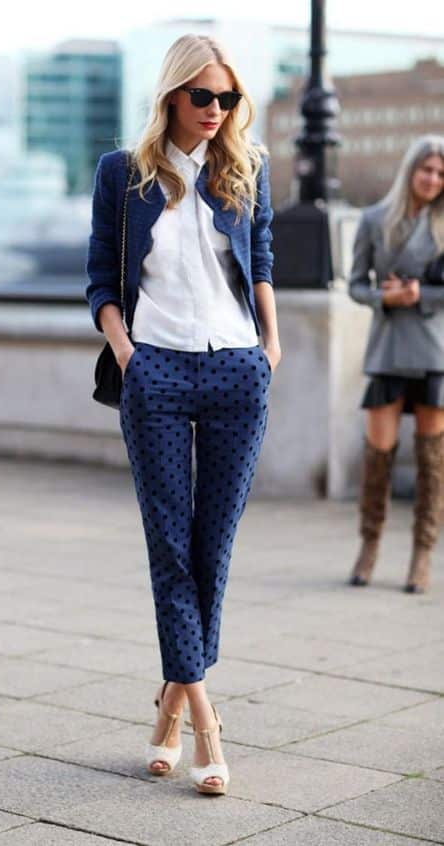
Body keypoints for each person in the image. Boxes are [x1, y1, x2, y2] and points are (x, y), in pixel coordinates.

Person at [86, 34, 280, 795]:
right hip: (157, 371)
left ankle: (168, 708)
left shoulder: (247, 167)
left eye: (228, 98)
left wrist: (270, 347)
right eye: (203, 96)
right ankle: (205, 722)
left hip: (237, 368)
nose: (216, 110)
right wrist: (127, 352)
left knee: (211, 551)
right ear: (172, 94)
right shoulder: (123, 173)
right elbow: (101, 277)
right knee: (170, 550)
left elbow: (261, 262)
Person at [348, 135, 444, 593]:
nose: (433, 179)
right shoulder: (373, 220)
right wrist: (384, 297)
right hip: (387, 347)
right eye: (427, 169)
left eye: (441, 173)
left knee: (432, 459)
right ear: (410, 170)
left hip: (434, 348)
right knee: (378, 454)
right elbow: (354, 284)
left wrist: (419, 294)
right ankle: (369, 545)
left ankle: (422, 553)